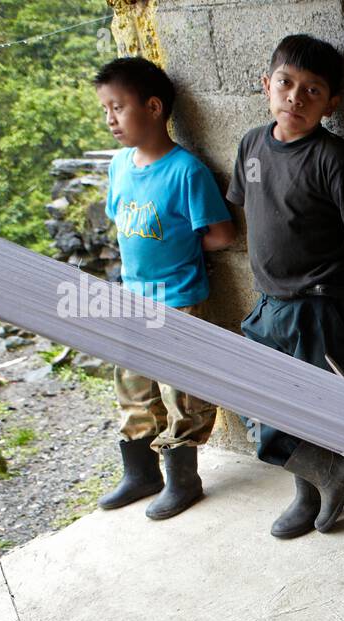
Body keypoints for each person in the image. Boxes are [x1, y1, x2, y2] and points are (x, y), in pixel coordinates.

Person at [226, 34, 344, 538]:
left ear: (332, 103)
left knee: (312, 407)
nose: (296, 97)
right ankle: (326, 477)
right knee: (259, 399)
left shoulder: (333, 159)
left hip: (318, 306)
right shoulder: (252, 146)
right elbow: (249, 207)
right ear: (267, 86)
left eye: (312, 90)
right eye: (286, 83)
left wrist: (330, 263)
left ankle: (319, 487)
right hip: (269, 303)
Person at [93, 57, 235, 518]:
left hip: (179, 302)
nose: (109, 119)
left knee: (182, 392)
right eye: (105, 109)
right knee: (132, 385)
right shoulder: (118, 166)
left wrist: (185, 251)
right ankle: (140, 473)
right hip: (132, 298)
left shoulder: (185, 171)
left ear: (153, 107)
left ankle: (182, 479)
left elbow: (220, 234)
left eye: (117, 107)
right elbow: (120, 223)